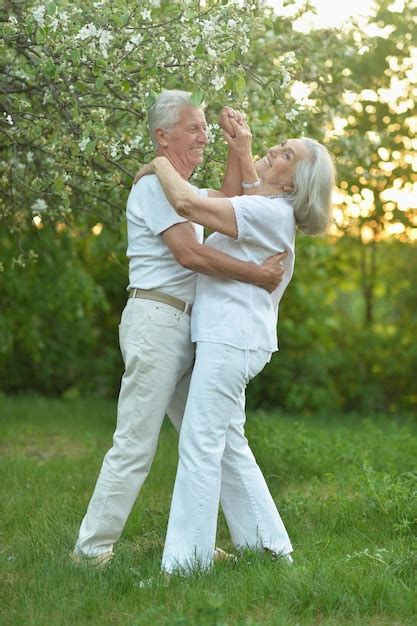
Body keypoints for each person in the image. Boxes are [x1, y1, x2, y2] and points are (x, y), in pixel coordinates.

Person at [71, 91, 286, 566]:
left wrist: (236, 147)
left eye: (205, 127)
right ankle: (91, 551)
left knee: (212, 437)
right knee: (135, 441)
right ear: (163, 136)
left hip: (187, 328)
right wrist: (259, 276)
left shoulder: (178, 189)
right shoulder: (154, 189)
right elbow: (189, 254)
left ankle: (194, 544)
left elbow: (230, 205)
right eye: (194, 128)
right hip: (158, 321)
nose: (203, 135)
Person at [134, 116, 336, 573]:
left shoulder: (268, 212)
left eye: (287, 155)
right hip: (234, 339)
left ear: (293, 184)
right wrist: (241, 147)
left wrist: (158, 163)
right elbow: (246, 187)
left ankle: (186, 566)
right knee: (226, 441)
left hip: (233, 341)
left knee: (200, 443)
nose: (276, 151)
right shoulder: (264, 203)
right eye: (282, 144)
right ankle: (269, 546)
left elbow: (186, 203)